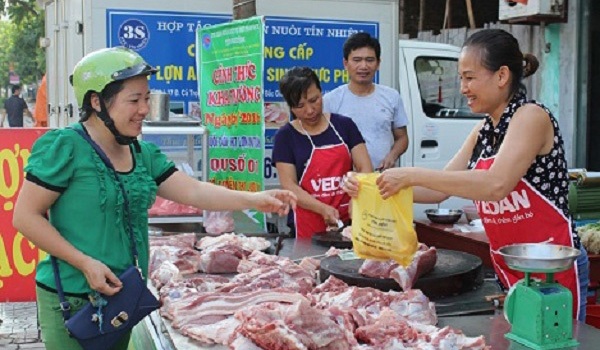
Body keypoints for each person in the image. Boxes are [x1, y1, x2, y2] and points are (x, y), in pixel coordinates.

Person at [12, 47, 297, 350]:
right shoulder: (64, 147)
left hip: (122, 296)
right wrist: (84, 263)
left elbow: (194, 191)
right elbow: (25, 217)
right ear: (96, 102)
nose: (144, 109)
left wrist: (254, 199)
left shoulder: (141, 153)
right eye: (134, 100)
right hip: (72, 300)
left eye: (146, 98)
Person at [343, 29, 589, 321]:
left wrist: (410, 174)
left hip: (551, 269)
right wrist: (371, 185)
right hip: (510, 265)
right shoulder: (483, 130)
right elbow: (438, 192)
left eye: (470, 77)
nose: (462, 87)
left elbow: (496, 185)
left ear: (501, 76)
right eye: (461, 78)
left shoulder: (530, 116)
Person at [272, 66, 372, 239]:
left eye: (314, 100)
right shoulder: (285, 136)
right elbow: (289, 186)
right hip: (307, 223)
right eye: (300, 106)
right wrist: (322, 209)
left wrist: (358, 200)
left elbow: (365, 168)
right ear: (290, 107)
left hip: (350, 219)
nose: (310, 110)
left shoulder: (344, 126)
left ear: (321, 92)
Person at [323, 32, 409, 171]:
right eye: (357, 60)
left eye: (370, 60)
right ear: (345, 63)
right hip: (346, 182)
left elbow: (402, 138)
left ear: (378, 63)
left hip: (384, 181)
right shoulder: (331, 101)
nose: (363, 66)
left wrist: (392, 156)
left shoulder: (392, 97)